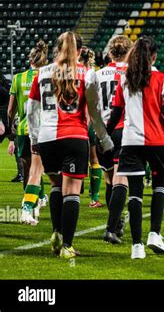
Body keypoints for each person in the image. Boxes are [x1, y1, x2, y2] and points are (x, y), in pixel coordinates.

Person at [27, 31, 113, 258]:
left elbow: (31, 109)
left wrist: (34, 139)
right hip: (74, 137)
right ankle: (67, 245)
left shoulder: (42, 72)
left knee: (56, 185)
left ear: (57, 48)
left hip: (47, 138)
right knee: (72, 191)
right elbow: (94, 111)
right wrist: (104, 139)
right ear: (82, 51)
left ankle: (56, 233)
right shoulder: (87, 73)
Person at [107, 36, 164, 259]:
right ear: (154, 56)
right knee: (159, 188)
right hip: (157, 142)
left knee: (135, 195)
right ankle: (154, 234)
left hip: (131, 142)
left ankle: (136, 246)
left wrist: (106, 136)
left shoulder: (125, 80)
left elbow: (116, 113)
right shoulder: (162, 79)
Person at [89, 35, 132, 244]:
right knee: (120, 179)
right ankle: (112, 227)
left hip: (101, 130)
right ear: (128, 52)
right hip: (124, 129)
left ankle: (115, 223)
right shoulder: (132, 74)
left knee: (108, 178)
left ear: (111, 53)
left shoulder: (97, 74)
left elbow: (91, 105)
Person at [8, 40, 49, 225]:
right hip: (46, 129)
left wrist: (11, 128)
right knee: (40, 169)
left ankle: (31, 208)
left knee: (28, 170)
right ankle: (39, 202)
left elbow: (10, 110)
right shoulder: (49, 76)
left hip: (24, 129)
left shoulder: (17, 78)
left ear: (29, 59)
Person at [79, 46, 104, 207]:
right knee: (94, 159)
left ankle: (70, 191)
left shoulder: (74, 72)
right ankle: (94, 197)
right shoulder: (95, 74)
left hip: (76, 120)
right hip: (93, 121)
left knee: (75, 157)